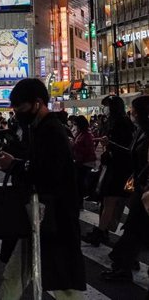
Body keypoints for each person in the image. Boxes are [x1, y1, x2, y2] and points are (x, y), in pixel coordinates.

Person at [0, 78, 85, 299]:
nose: (17, 112)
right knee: (17, 274)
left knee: (63, 282)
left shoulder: (51, 130)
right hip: (38, 214)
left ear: (37, 103)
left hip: (53, 216)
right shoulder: (38, 128)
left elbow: (48, 173)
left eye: (20, 107)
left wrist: (14, 165)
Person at [101, 95, 149, 282]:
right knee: (134, 228)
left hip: (145, 188)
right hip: (139, 185)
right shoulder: (140, 131)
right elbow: (131, 154)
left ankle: (123, 263)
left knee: (134, 228)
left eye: (135, 111)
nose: (132, 113)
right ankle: (125, 263)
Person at [82, 95, 134, 246]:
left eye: (107, 106)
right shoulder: (114, 122)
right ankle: (102, 231)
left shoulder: (122, 123)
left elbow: (127, 148)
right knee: (108, 201)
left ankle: (101, 233)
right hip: (113, 167)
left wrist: (109, 143)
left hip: (119, 170)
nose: (104, 109)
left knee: (112, 201)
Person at [69, 116, 97, 209]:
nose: (74, 126)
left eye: (75, 124)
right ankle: (78, 202)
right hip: (80, 161)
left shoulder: (86, 135)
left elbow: (88, 150)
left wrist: (74, 145)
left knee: (80, 182)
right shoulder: (80, 133)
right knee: (78, 182)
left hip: (85, 162)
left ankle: (79, 203)